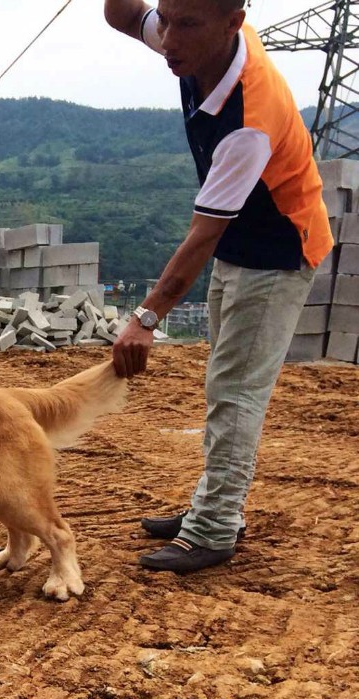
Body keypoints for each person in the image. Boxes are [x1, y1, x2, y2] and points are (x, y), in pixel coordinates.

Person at [103, 0, 333, 572]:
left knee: (237, 394)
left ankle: (212, 529)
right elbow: (121, 15)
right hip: (238, 244)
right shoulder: (196, 39)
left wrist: (147, 318)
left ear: (232, 23)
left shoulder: (250, 120)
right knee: (222, 384)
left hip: (279, 255)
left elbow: (201, 236)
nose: (169, 40)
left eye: (186, 26)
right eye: (168, 20)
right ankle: (216, 505)